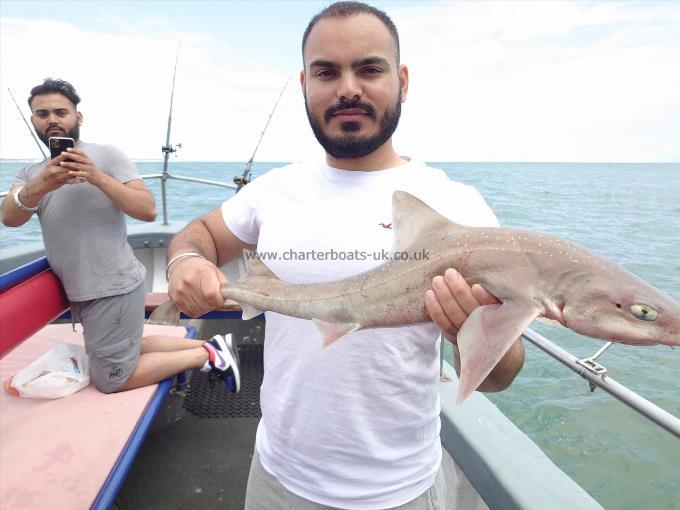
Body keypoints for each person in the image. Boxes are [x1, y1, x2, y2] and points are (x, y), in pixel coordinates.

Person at [167, 2, 525, 509]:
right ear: (304, 85)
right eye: (327, 72)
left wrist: (470, 332)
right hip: (276, 478)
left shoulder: (458, 207)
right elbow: (200, 232)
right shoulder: (273, 191)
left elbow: (504, 375)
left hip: (402, 490)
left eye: (370, 68)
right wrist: (185, 261)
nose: (348, 88)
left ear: (403, 80)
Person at [0, 78, 240, 395]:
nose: (52, 120)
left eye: (61, 111)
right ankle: (213, 346)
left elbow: (147, 209)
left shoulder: (107, 156)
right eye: (42, 114)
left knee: (112, 378)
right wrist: (41, 185)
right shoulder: (30, 175)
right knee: (127, 346)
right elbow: (9, 217)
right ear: (33, 121)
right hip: (81, 289)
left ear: (78, 117)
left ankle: (206, 356)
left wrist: (97, 177)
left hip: (112, 285)